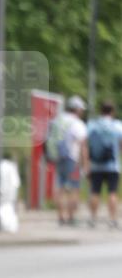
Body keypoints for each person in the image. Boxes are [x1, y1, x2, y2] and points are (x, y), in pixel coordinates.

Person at [46, 95, 88, 226]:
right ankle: (70, 217)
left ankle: (60, 217)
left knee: (60, 188)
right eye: (81, 109)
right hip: (72, 159)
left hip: (58, 158)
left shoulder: (57, 120)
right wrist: (85, 163)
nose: (82, 112)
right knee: (74, 189)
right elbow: (82, 145)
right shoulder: (77, 123)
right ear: (77, 109)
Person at [86, 101, 122, 229]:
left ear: (101, 111)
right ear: (112, 112)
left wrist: (86, 162)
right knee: (112, 192)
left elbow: (86, 142)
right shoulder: (117, 125)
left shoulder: (93, 125)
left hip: (96, 165)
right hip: (113, 165)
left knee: (95, 192)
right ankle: (112, 219)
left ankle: (93, 219)